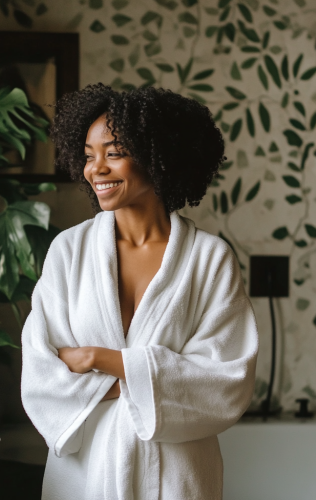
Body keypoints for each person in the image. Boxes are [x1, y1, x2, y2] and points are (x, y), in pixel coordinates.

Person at [21, 83, 258, 500]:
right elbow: (42, 375)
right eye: (90, 156)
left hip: (178, 479)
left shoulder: (209, 260)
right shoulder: (69, 252)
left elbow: (225, 382)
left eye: (114, 153)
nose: (97, 169)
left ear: (158, 156)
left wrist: (101, 360)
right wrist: (149, 381)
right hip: (84, 475)